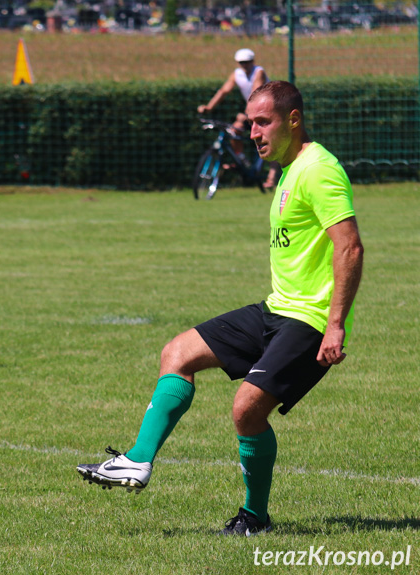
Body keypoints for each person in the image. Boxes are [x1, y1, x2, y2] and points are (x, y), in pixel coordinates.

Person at [78, 81, 364, 536]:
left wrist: (334, 326)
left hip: (308, 320)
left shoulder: (318, 169)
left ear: (294, 120)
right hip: (277, 310)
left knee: (246, 410)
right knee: (177, 353)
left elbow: (348, 248)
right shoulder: (288, 170)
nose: (253, 132)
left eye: (263, 121)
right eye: (250, 122)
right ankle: (137, 461)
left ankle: (254, 518)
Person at [197, 48, 280, 190]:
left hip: (269, 111)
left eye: (247, 62)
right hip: (253, 113)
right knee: (235, 129)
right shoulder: (237, 74)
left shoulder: (258, 71)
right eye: (241, 63)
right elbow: (224, 91)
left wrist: (248, 113)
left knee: (272, 143)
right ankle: (241, 159)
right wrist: (209, 107)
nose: (244, 65)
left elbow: (256, 92)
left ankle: (271, 178)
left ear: (252, 61)